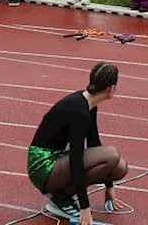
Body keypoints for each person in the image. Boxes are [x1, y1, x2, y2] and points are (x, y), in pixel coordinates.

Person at [26, 62, 128, 224]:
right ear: (111, 88)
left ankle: (62, 195)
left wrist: (109, 187)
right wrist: (85, 207)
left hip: (58, 159)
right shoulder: (78, 111)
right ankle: (60, 199)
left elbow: (94, 143)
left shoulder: (89, 105)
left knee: (119, 167)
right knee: (112, 155)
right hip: (43, 166)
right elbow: (76, 159)